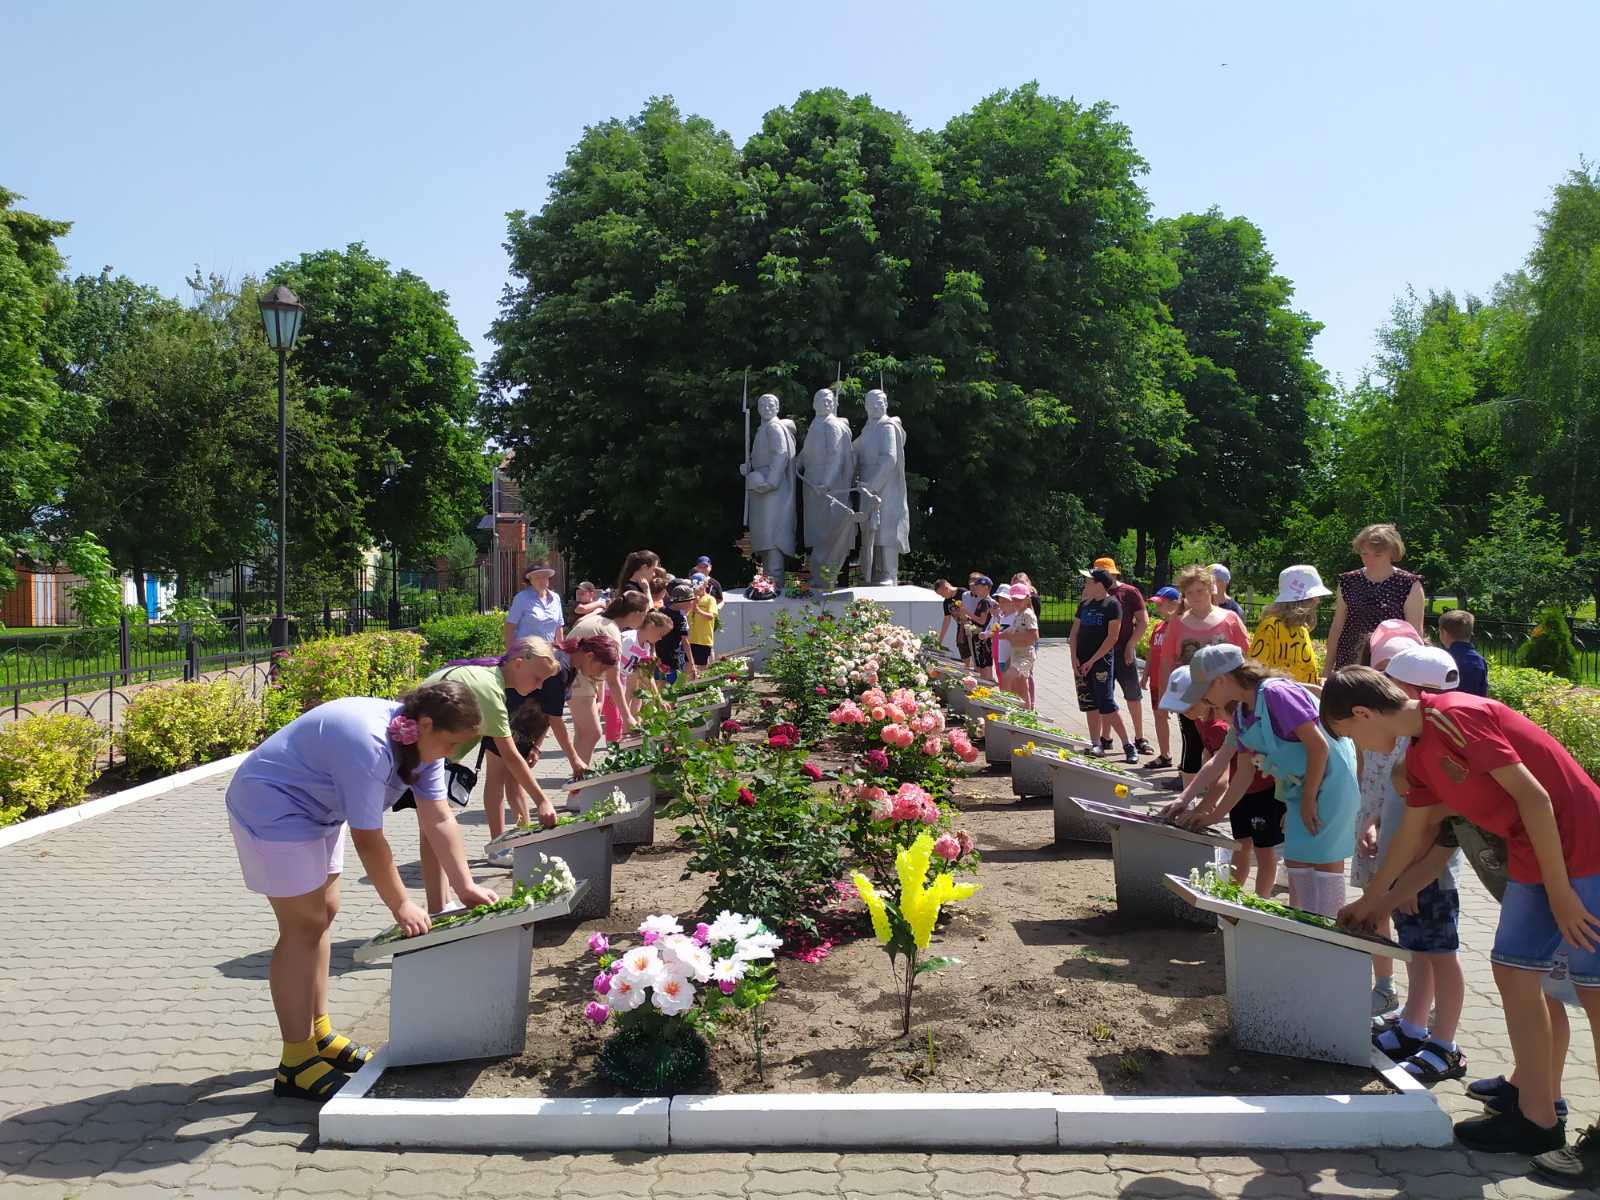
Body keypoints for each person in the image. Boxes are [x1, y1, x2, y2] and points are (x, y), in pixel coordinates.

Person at [1322, 667, 1600, 1160]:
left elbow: (1535, 798)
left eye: (1351, 734)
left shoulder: (1453, 717)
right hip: (1532, 859)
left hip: (1584, 850)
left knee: (1594, 988)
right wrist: (1372, 900)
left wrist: (1560, 891)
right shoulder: (1421, 752)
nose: (1360, 748)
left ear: (1363, 713)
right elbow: (1416, 831)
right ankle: (1537, 1119)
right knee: (1512, 971)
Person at [225, 681, 497, 1102]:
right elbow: (369, 839)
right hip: (273, 804)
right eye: (451, 744)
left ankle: (317, 1033)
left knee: (325, 913)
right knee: (303, 925)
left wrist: (465, 885)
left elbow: (439, 817)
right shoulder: (369, 746)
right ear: (424, 725)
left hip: (317, 809)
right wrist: (401, 904)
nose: (453, 754)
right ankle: (296, 1062)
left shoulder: (422, 744)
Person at [1175, 645, 1360, 917]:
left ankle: (1330, 932)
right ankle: (1306, 927)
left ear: (1222, 680)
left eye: (1204, 690)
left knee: (1324, 862)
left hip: (1330, 782)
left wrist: (1309, 798)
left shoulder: (1275, 693)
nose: (1205, 700)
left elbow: (1319, 747)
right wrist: (1214, 816)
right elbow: (1244, 774)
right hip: (1300, 786)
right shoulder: (1240, 713)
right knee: (1296, 860)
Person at [1360, 644, 1469, 1086]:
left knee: (1441, 955)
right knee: (1417, 951)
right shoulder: (1413, 738)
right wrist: (1375, 823)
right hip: (1405, 870)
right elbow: (1399, 799)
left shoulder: (1437, 744)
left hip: (1428, 875)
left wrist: (1404, 882)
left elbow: (1432, 824)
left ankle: (1444, 1044)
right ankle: (1413, 1027)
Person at [421, 640, 563, 870]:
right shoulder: (490, 691)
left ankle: (445, 896)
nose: (539, 687)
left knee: (434, 832)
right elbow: (511, 756)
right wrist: (542, 801)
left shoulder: (488, 677)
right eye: (538, 678)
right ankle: (450, 894)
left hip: (426, 753)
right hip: (419, 753)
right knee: (439, 830)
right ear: (518, 664)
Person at [1351, 621, 1426, 1017]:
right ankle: (1384, 986)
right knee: (1374, 906)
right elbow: (1365, 767)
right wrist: (1365, 817)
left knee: (1418, 920)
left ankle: (1422, 999)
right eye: (1383, 669)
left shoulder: (1417, 728)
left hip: (1405, 826)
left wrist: (1382, 820)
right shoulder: (1372, 716)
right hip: (1372, 815)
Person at [1159, 667, 1285, 898]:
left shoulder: (1224, 724)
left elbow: (1225, 777)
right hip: (1240, 793)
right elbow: (1214, 763)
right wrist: (1185, 798)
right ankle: (1232, 895)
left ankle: (1262, 900)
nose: (1184, 712)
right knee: (1241, 845)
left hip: (1263, 790)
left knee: (1265, 851)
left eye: (1187, 705)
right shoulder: (1203, 719)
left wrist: (1205, 809)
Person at [1155, 565, 1251, 790]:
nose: (1196, 596)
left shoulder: (1230, 618)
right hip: (1192, 696)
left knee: (1227, 745)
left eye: (1200, 590)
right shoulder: (1177, 623)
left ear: (1211, 589)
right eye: (1190, 592)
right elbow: (1167, 661)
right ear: (1184, 595)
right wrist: (1164, 697)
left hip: (1226, 696)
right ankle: (1188, 798)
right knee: (1193, 744)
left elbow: (1246, 656)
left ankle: (1221, 794)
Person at [1324, 523, 1426, 675]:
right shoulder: (1347, 581)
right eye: (1365, 554)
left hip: (1390, 664)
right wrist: (1326, 670)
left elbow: (1415, 634)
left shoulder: (1409, 584)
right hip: (1350, 662)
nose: (1369, 560)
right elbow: (1337, 627)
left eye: (1377, 555)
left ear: (1391, 553)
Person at [568, 592, 647, 762]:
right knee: (592, 732)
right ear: (635, 614)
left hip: (572, 674)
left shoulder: (598, 620)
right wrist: (627, 716)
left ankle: (578, 776)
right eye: (644, 615)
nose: (644, 620)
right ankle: (579, 781)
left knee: (583, 732)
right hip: (577, 676)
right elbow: (614, 680)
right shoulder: (611, 631)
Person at [1085, 558, 1151, 755]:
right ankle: (1106, 738)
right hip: (1100, 655)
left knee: (1133, 695)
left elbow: (1143, 621)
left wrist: (1131, 644)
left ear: (1114, 574)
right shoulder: (1091, 592)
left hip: (1123, 653)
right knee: (1105, 696)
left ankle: (1139, 738)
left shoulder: (1129, 593)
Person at [1070, 568, 1136, 764]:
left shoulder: (1112, 605)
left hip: (1101, 662)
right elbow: (1074, 633)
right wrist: (1073, 657)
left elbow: (1112, 637)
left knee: (1106, 703)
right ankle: (1095, 743)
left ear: (1099, 584)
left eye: (1088, 581)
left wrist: (1092, 661)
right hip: (1081, 661)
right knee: (1089, 702)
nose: (1085, 585)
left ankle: (1128, 745)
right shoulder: (1084, 605)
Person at [1249, 564, 1330, 685]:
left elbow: (1301, 671)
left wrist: (1317, 681)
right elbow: (1255, 673)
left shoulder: (1302, 629)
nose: (1317, 601)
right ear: (1300, 600)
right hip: (1277, 701)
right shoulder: (1270, 626)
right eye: (1314, 597)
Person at [607, 610, 672, 740]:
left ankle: (626, 745)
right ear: (651, 626)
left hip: (628, 685)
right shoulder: (627, 639)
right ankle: (614, 749)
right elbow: (608, 662)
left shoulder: (646, 647)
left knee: (629, 718)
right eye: (660, 634)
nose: (660, 638)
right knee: (615, 722)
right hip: (612, 685)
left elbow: (646, 674)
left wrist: (658, 699)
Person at [1141, 586, 1181, 769]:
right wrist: (1145, 676)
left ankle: (1191, 760)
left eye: (1161, 604)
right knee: (1159, 716)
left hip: (1177, 684)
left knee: (1186, 720)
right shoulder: (1159, 626)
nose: (1157, 608)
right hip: (1157, 682)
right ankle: (1165, 755)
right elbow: (1151, 654)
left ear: (1174, 604)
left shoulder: (1182, 627)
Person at [998, 585, 1040, 707]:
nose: (1016, 602)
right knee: (1020, 687)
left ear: (1027, 598)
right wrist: (997, 635)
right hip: (1016, 654)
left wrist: (1012, 637)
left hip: (1025, 655)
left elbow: (1034, 636)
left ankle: (1004, 708)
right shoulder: (1018, 614)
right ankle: (1026, 713)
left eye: (1020, 599)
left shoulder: (1027, 614)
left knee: (1007, 678)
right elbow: (1010, 632)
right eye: (1014, 599)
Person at [503, 563, 563, 648]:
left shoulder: (555, 598)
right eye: (537, 577)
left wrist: (561, 651)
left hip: (550, 653)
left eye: (544, 577)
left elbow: (559, 626)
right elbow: (510, 627)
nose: (541, 580)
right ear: (530, 580)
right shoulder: (521, 598)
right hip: (527, 654)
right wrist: (510, 654)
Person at [1440, 609, 1490, 697]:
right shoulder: (1479, 660)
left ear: (1443, 632)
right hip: (1473, 707)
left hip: (1449, 707)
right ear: (1471, 633)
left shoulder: (1443, 658)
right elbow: (1483, 692)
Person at [659, 581, 694, 683]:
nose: (692, 603)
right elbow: (685, 642)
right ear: (683, 601)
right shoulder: (681, 618)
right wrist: (692, 663)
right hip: (673, 659)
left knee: (660, 686)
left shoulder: (661, 611)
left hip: (659, 657)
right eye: (691, 601)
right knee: (674, 689)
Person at [687, 574, 721, 672]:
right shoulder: (690, 599)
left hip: (703, 639)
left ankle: (702, 686)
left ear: (705, 585)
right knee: (689, 665)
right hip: (690, 639)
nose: (696, 589)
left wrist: (698, 610)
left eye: (699, 586)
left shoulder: (710, 599)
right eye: (694, 586)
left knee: (702, 667)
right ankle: (690, 685)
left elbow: (711, 616)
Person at [966, 576, 997, 683]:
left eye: (978, 587)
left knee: (985, 665)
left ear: (986, 588)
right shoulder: (982, 601)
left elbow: (982, 621)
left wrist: (968, 612)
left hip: (984, 639)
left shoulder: (985, 602)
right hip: (982, 637)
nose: (975, 589)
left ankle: (987, 685)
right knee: (983, 664)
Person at [934, 579, 963, 660]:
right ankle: (968, 669)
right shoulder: (946, 602)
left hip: (972, 627)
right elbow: (946, 621)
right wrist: (940, 641)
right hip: (960, 628)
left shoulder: (963, 593)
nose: (942, 596)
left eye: (941, 593)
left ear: (946, 588)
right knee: (963, 651)